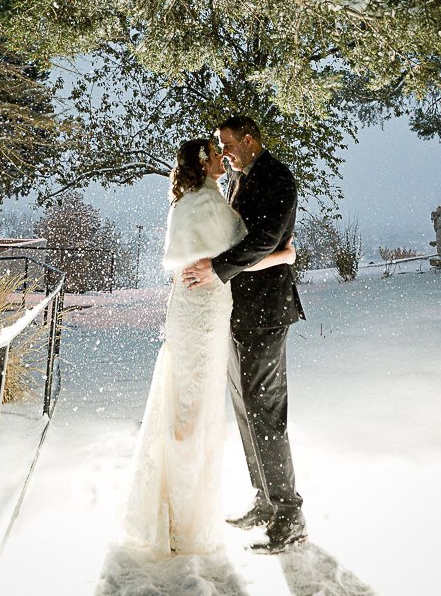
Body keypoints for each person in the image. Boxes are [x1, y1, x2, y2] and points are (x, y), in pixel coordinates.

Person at [123, 137, 296, 557]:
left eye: (226, 146)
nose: (224, 155)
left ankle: (281, 509)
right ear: (204, 163)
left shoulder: (203, 198)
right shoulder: (207, 202)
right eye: (217, 151)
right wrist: (285, 255)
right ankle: (192, 513)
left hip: (207, 316)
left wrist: (272, 255)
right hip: (207, 318)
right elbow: (246, 247)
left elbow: (232, 252)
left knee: (229, 408)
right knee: (206, 411)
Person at [181, 115, 307, 554]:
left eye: (227, 144)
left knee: (266, 410)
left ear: (249, 139)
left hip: (267, 314)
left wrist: (214, 270)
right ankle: (265, 499)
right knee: (245, 406)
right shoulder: (240, 179)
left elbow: (266, 240)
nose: (224, 152)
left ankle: (289, 512)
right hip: (238, 312)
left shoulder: (276, 176)